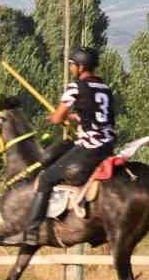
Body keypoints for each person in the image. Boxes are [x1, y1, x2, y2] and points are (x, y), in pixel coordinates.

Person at [21, 46, 118, 246]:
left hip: (89, 146)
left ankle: (32, 230)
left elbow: (57, 117)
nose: (72, 68)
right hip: (108, 145)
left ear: (81, 67)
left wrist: (59, 116)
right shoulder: (105, 88)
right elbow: (96, 114)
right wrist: (76, 117)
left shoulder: (75, 87)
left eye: (73, 65)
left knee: (47, 178)